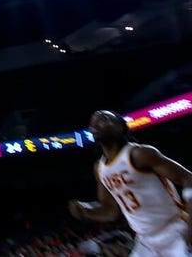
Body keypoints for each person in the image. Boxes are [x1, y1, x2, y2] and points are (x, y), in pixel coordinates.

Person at [67, 109, 192, 256]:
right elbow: (111, 210)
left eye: (105, 118)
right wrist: (86, 211)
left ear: (121, 127)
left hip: (175, 231)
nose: (98, 121)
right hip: (145, 241)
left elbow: (188, 178)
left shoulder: (140, 154)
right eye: (93, 122)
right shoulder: (99, 168)